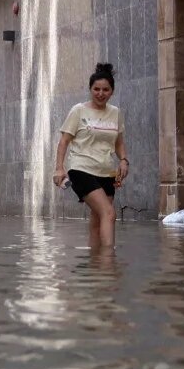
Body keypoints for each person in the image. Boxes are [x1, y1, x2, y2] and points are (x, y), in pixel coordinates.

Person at [53, 62, 127, 248]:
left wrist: (124, 160)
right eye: (96, 89)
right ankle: (109, 262)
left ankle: (96, 267)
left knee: (98, 220)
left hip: (107, 172)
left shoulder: (116, 113)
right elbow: (64, 141)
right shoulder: (78, 111)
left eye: (105, 89)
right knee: (109, 214)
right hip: (81, 169)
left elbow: (118, 142)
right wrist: (59, 168)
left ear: (112, 91)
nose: (100, 93)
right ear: (90, 89)